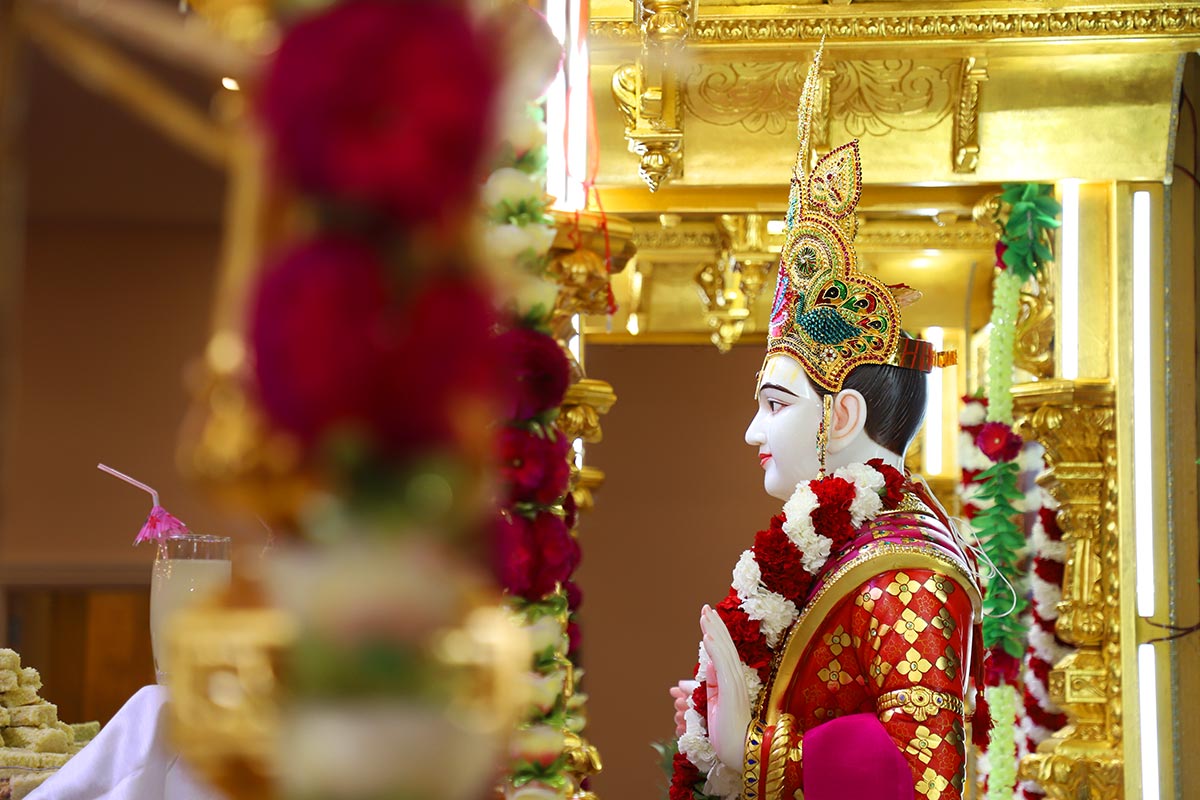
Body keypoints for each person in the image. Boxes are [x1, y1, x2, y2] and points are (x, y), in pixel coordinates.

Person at [666, 44, 982, 800]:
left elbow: (927, 775)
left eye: (776, 405)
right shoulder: (853, 548)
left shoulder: (903, 568)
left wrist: (750, 750)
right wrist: (720, 726)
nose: (753, 432)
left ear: (842, 415)